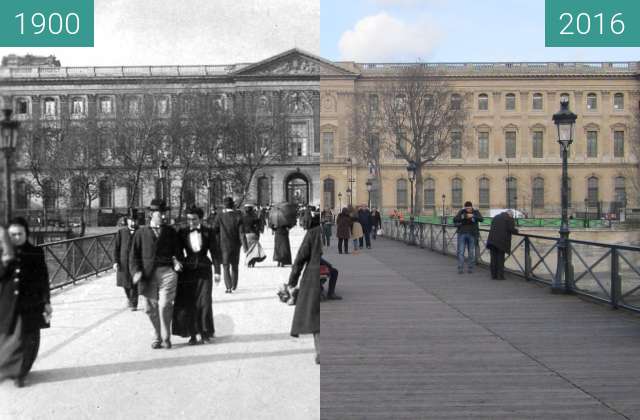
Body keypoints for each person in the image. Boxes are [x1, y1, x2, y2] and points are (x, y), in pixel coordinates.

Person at [0, 218, 51, 387]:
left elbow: (43, 278)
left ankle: (21, 373)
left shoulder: (36, 252)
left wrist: (46, 301)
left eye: (19, 234)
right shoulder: (3, 253)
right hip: (8, 304)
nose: (16, 237)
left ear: (26, 234)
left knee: (29, 339)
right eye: (12, 234)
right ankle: (9, 370)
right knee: (8, 339)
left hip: (31, 304)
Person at [130, 198, 184, 349]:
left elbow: (178, 252)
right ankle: (157, 334)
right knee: (149, 308)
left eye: (164, 214)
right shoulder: (141, 233)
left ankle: (166, 335)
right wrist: (136, 272)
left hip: (167, 273)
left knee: (165, 304)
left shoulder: (171, 232)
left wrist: (177, 262)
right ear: (151, 214)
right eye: (160, 214)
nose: (163, 217)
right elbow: (133, 256)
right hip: (147, 276)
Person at [173, 206, 220, 345]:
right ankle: (193, 334)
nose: (191, 222)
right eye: (188, 219)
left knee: (205, 301)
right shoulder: (182, 232)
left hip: (204, 269)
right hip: (188, 271)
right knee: (190, 303)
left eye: (194, 219)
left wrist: (217, 271)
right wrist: (178, 261)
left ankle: (205, 332)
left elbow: (215, 252)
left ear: (200, 219)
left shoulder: (208, 232)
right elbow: (177, 250)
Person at [288, 210, 321, 364]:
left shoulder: (312, 234)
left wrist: (292, 281)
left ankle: (321, 351)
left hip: (313, 276)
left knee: (315, 313)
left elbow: (300, 258)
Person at [212, 197, 245, 293]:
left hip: (224, 245)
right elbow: (241, 233)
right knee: (235, 265)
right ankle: (234, 285)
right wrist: (245, 246)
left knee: (226, 266)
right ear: (233, 205)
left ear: (224, 206)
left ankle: (228, 287)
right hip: (236, 245)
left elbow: (215, 229)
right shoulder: (238, 216)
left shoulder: (220, 216)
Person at [114, 214, 139, 310]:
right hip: (123, 261)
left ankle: (134, 303)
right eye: (131, 220)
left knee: (135, 283)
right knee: (125, 283)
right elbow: (116, 248)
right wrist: (116, 261)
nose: (133, 223)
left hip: (136, 261)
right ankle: (129, 297)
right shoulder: (121, 232)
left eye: (134, 221)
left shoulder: (140, 232)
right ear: (127, 221)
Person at [486, 210, 518, 280]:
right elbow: (511, 229)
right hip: (501, 242)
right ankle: (500, 276)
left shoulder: (495, 217)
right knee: (500, 259)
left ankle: (493, 275)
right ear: (510, 214)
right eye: (512, 216)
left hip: (492, 241)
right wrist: (517, 230)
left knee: (493, 258)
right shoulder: (509, 218)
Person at [453, 201, 484, 274]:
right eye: (466, 208)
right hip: (462, 233)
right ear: (465, 207)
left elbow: (481, 219)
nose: (468, 209)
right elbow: (455, 220)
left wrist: (473, 216)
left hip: (472, 234)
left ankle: (470, 268)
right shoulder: (461, 211)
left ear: (471, 207)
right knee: (461, 252)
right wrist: (463, 216)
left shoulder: (475, 212)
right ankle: (460, 268)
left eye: (469, 208)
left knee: (471, 252)